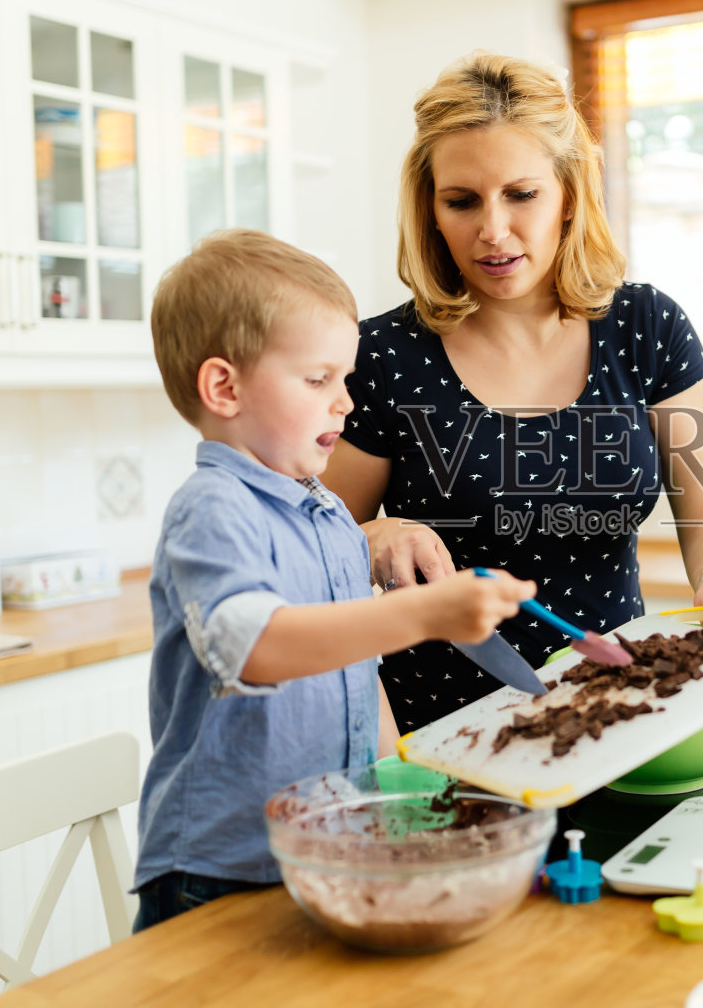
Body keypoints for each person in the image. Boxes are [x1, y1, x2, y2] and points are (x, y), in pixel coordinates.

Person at [327, 54, 703, 734]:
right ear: (430, 209)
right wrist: (372, 534)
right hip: (439, 739)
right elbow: (306, 552)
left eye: (522, 194)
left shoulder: (646, 328)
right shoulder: (382, 356)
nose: (494, 229)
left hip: (615, 716)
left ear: (568, 193)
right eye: (462, 200)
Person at [133, 229, 534, 930]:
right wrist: (424, 615)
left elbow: (359, 676)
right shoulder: (213, 507)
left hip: (326, 851)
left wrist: (403, 795)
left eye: (343, 380)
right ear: (223, 386)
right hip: (220, 868)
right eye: (318, 380)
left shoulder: (329, 518)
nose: (344, 402)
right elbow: (254, 645)